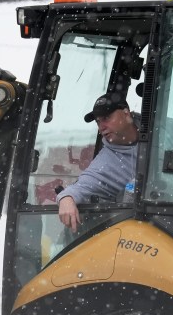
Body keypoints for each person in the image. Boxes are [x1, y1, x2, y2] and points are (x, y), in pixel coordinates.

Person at [57, 94, 138, 233]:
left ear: (126, 113)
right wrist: (66, 198)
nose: (101, 127)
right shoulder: (106, 162)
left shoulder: (165, 130)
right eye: (98, 122)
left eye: (106, 118)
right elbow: (82, 186)